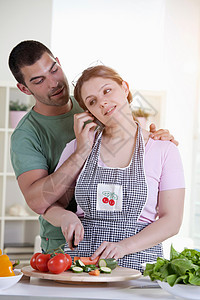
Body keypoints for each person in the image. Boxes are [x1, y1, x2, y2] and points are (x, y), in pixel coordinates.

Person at [8, 40, 178, 253]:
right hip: (65, 241)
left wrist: (156, 139)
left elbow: (127, 130)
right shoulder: (27, 135)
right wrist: (81, 152)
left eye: (54, 70)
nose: (53, 83)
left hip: (134, 250)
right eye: (39, 80)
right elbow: (38, 202)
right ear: (24, 89)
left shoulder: (91, 101)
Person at [43, 65, 185, 272]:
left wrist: (123, 247)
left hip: (141, 267)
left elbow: (172, 220)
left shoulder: (164, 150)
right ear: (88, 112)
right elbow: (47, 203)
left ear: (125, 88)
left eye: (107, 90)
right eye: (92, 101)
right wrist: (65, 216)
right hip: (83, 266)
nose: (103, 102)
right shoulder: (77, 148)